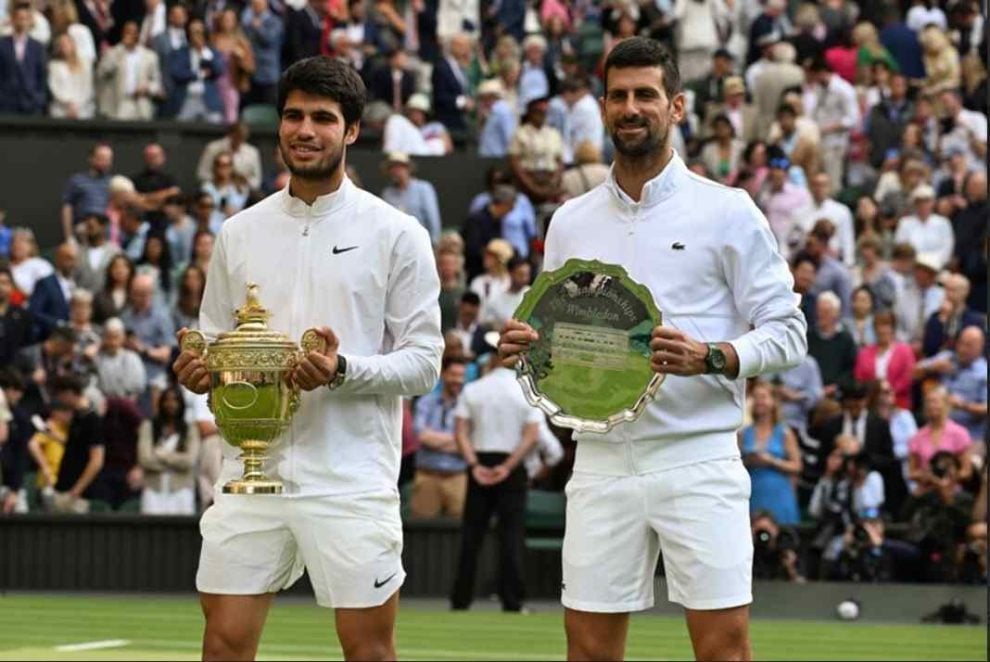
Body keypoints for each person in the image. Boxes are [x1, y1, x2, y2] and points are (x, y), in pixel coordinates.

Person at [499, 38, 807, 660]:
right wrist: (529, 349)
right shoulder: (570, 220)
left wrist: (713, 355)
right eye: (619, 96)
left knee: (723, 649)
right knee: (587, 651)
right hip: (601, 462)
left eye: (646, 95)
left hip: (698, 457)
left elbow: (789, 330)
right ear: (603, 107)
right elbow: (558, 339)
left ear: (678, 107)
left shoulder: (729, 211)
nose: (631, 107)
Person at [172, 56, 442, 661]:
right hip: (247, 475)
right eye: (294, 115)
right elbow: (214, 345)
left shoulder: (397, 232)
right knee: (222, 645)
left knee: (368, 651)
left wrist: (342, 372)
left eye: (323, 118)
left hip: (349, 479)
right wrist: (200, 373)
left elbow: (425, 362)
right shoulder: (238, 232)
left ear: (351, 131)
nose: (304, 130)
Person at [451, 351, 542, 612]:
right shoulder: (526, 391)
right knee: (511, 536)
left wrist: (474, 465)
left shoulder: (473, 389)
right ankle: (512, 602)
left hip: (481, 462)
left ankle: (460, 600)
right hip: (510, 467)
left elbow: (461, 433)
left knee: (471, 536)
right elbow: (532, 435)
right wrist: (508, 466)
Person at [739, 381, 802, 524]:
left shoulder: (785, 433)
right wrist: (749, 461)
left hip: (778, 491)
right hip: (753, 490)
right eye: (756, 397)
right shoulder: (743, 434)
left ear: (773, 401)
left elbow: (797, 466)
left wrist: (771, 461)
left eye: (763, 397)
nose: (759, 402)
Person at [137, 385, 200, 514]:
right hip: (153, 490)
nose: (171, 404)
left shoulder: (190, 429)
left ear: (181, 403)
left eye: (175, 400)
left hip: (181, 490)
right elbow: (145, 459)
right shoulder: (148, 426)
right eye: (167, 400)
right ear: (161, 402)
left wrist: (162, 455)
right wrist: (176, 463)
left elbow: (189, 461)